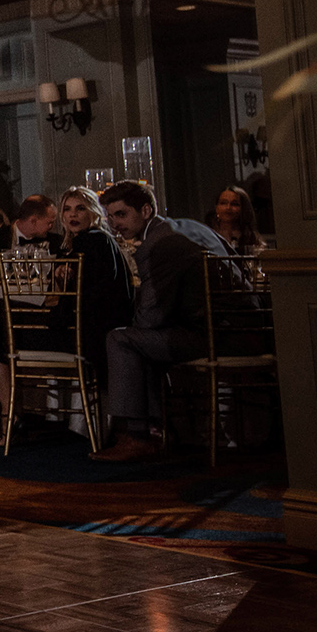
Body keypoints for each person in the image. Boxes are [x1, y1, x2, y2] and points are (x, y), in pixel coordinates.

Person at [0, 185, 134, 425]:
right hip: (77, 329)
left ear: (93, 212)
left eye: (80, 209)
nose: (72, 215)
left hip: (81, 335)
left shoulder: (91, 243)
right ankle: (7, 416)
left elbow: (85, 301)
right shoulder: (87, 243)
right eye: (67, 209)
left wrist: (61, 285)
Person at [92, 180, 228, 462]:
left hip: (215, 337)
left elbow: (151, 317)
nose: (115, 223)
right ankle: (155, 429)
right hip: (235, 328)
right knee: (137, 339)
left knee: (120, 339)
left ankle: (136, 436)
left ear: (145, 210)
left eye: (121, 214)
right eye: (110, 216)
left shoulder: (159, 243)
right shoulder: (188, 227)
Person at [208, 184, 266, 256]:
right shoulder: (208, 236)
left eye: (234, 204)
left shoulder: (252, 239)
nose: (228, 208)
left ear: (244, 208)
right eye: (223, 203)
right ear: (216, 207)